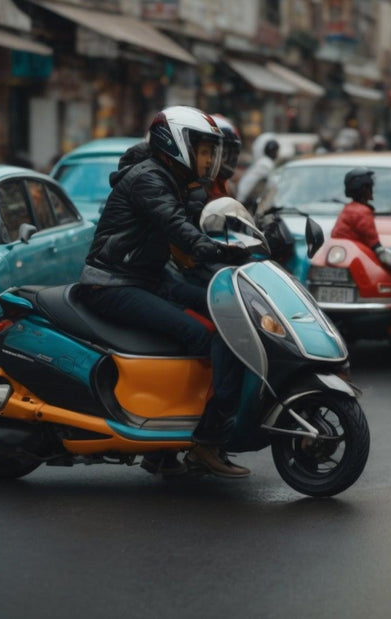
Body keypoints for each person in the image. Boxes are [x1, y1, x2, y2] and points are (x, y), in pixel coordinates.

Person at [77, 106, 252, 478]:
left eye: (210, 152)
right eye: (202, 150)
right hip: (112, 282)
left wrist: (253, 235)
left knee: (225, 313)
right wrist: (214, 248)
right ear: (175, 144)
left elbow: (210, 219)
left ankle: (167, 447)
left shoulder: (180, 181)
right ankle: (201, 439)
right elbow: (176, 225)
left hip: (147, 278)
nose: (209, 159)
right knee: (199, 334)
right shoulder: (148, 179)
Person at [330, 167, 391, 268]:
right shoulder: (362, 212)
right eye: (370, 188)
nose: (372, 191)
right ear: (364, 189)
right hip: (355, 256)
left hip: (344, 254)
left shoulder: (349, 208)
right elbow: (372, 241)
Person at [236, 136, 279, 208]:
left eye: (275, 151)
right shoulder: (264, 164)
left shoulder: (264, 164)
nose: (275, 154)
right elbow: (245, 189)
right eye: (272, 151)